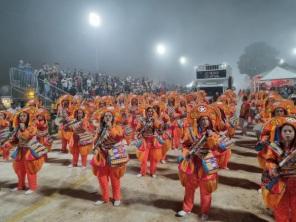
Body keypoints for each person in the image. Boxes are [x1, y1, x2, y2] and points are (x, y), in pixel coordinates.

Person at [259, 117, 296, 222]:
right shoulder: (275, 146)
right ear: (280, 133)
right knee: (280, 208)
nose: (287, 133)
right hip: (281, 182)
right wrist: (273, 168)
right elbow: (270, 160)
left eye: (290, 131)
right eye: (285, 131)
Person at [4, 108, 46, 194]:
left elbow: (28, 136)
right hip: (20, 151)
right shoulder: (17, 128)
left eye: (24, 116)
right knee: (19, 169)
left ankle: (32, 187)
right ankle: (21, 185)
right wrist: (8, 144)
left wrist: (23, 130)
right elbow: (15, 140)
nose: (22, 118)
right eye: (20, 116)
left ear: (28, 117)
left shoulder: (32, 127)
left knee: (30, 169)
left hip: (30, 151)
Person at [91, 110, 128, 206]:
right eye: (105, 116)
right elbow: (95, 141)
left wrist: (110, 127)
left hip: (114, 155)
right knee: (102, 178)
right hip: (101, 156)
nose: (107, 117)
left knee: (114, 178)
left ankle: (116, 198)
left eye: (109, 116)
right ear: (102, 118)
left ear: (112, 118)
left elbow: (119, 137)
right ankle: (105, 198)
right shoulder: (99, 129)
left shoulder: (117, 127)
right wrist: (95, 148)